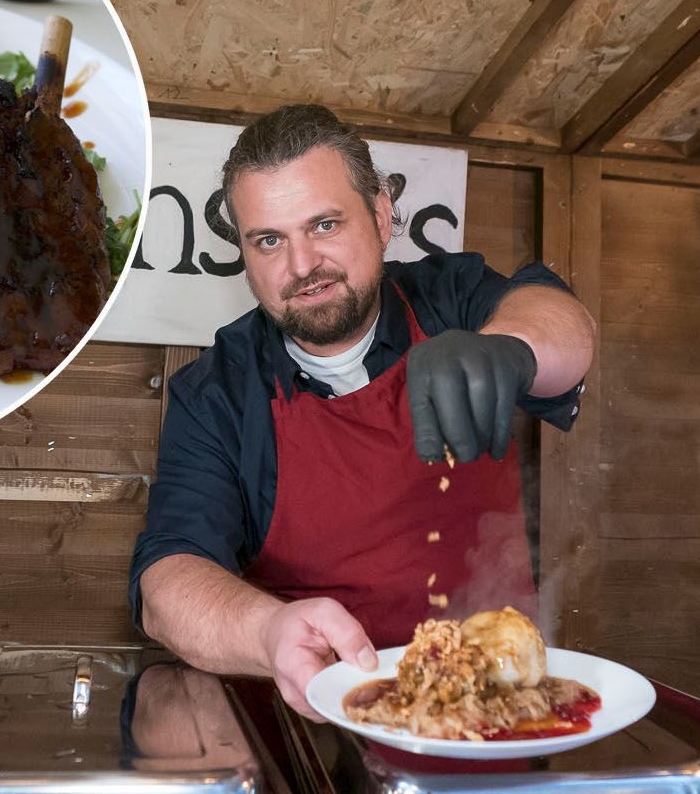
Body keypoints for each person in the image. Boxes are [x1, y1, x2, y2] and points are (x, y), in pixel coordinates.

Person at [129, 103, 595, 720]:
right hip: (320, 729)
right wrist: (267, 631)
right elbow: (167, 584)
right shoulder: (216, 392)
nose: (301, 266)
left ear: (380, 215)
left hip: (502, 714)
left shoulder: (450, 298)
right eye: (269, 240)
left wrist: (511, 348)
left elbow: (564, 325)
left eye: (324, 225)